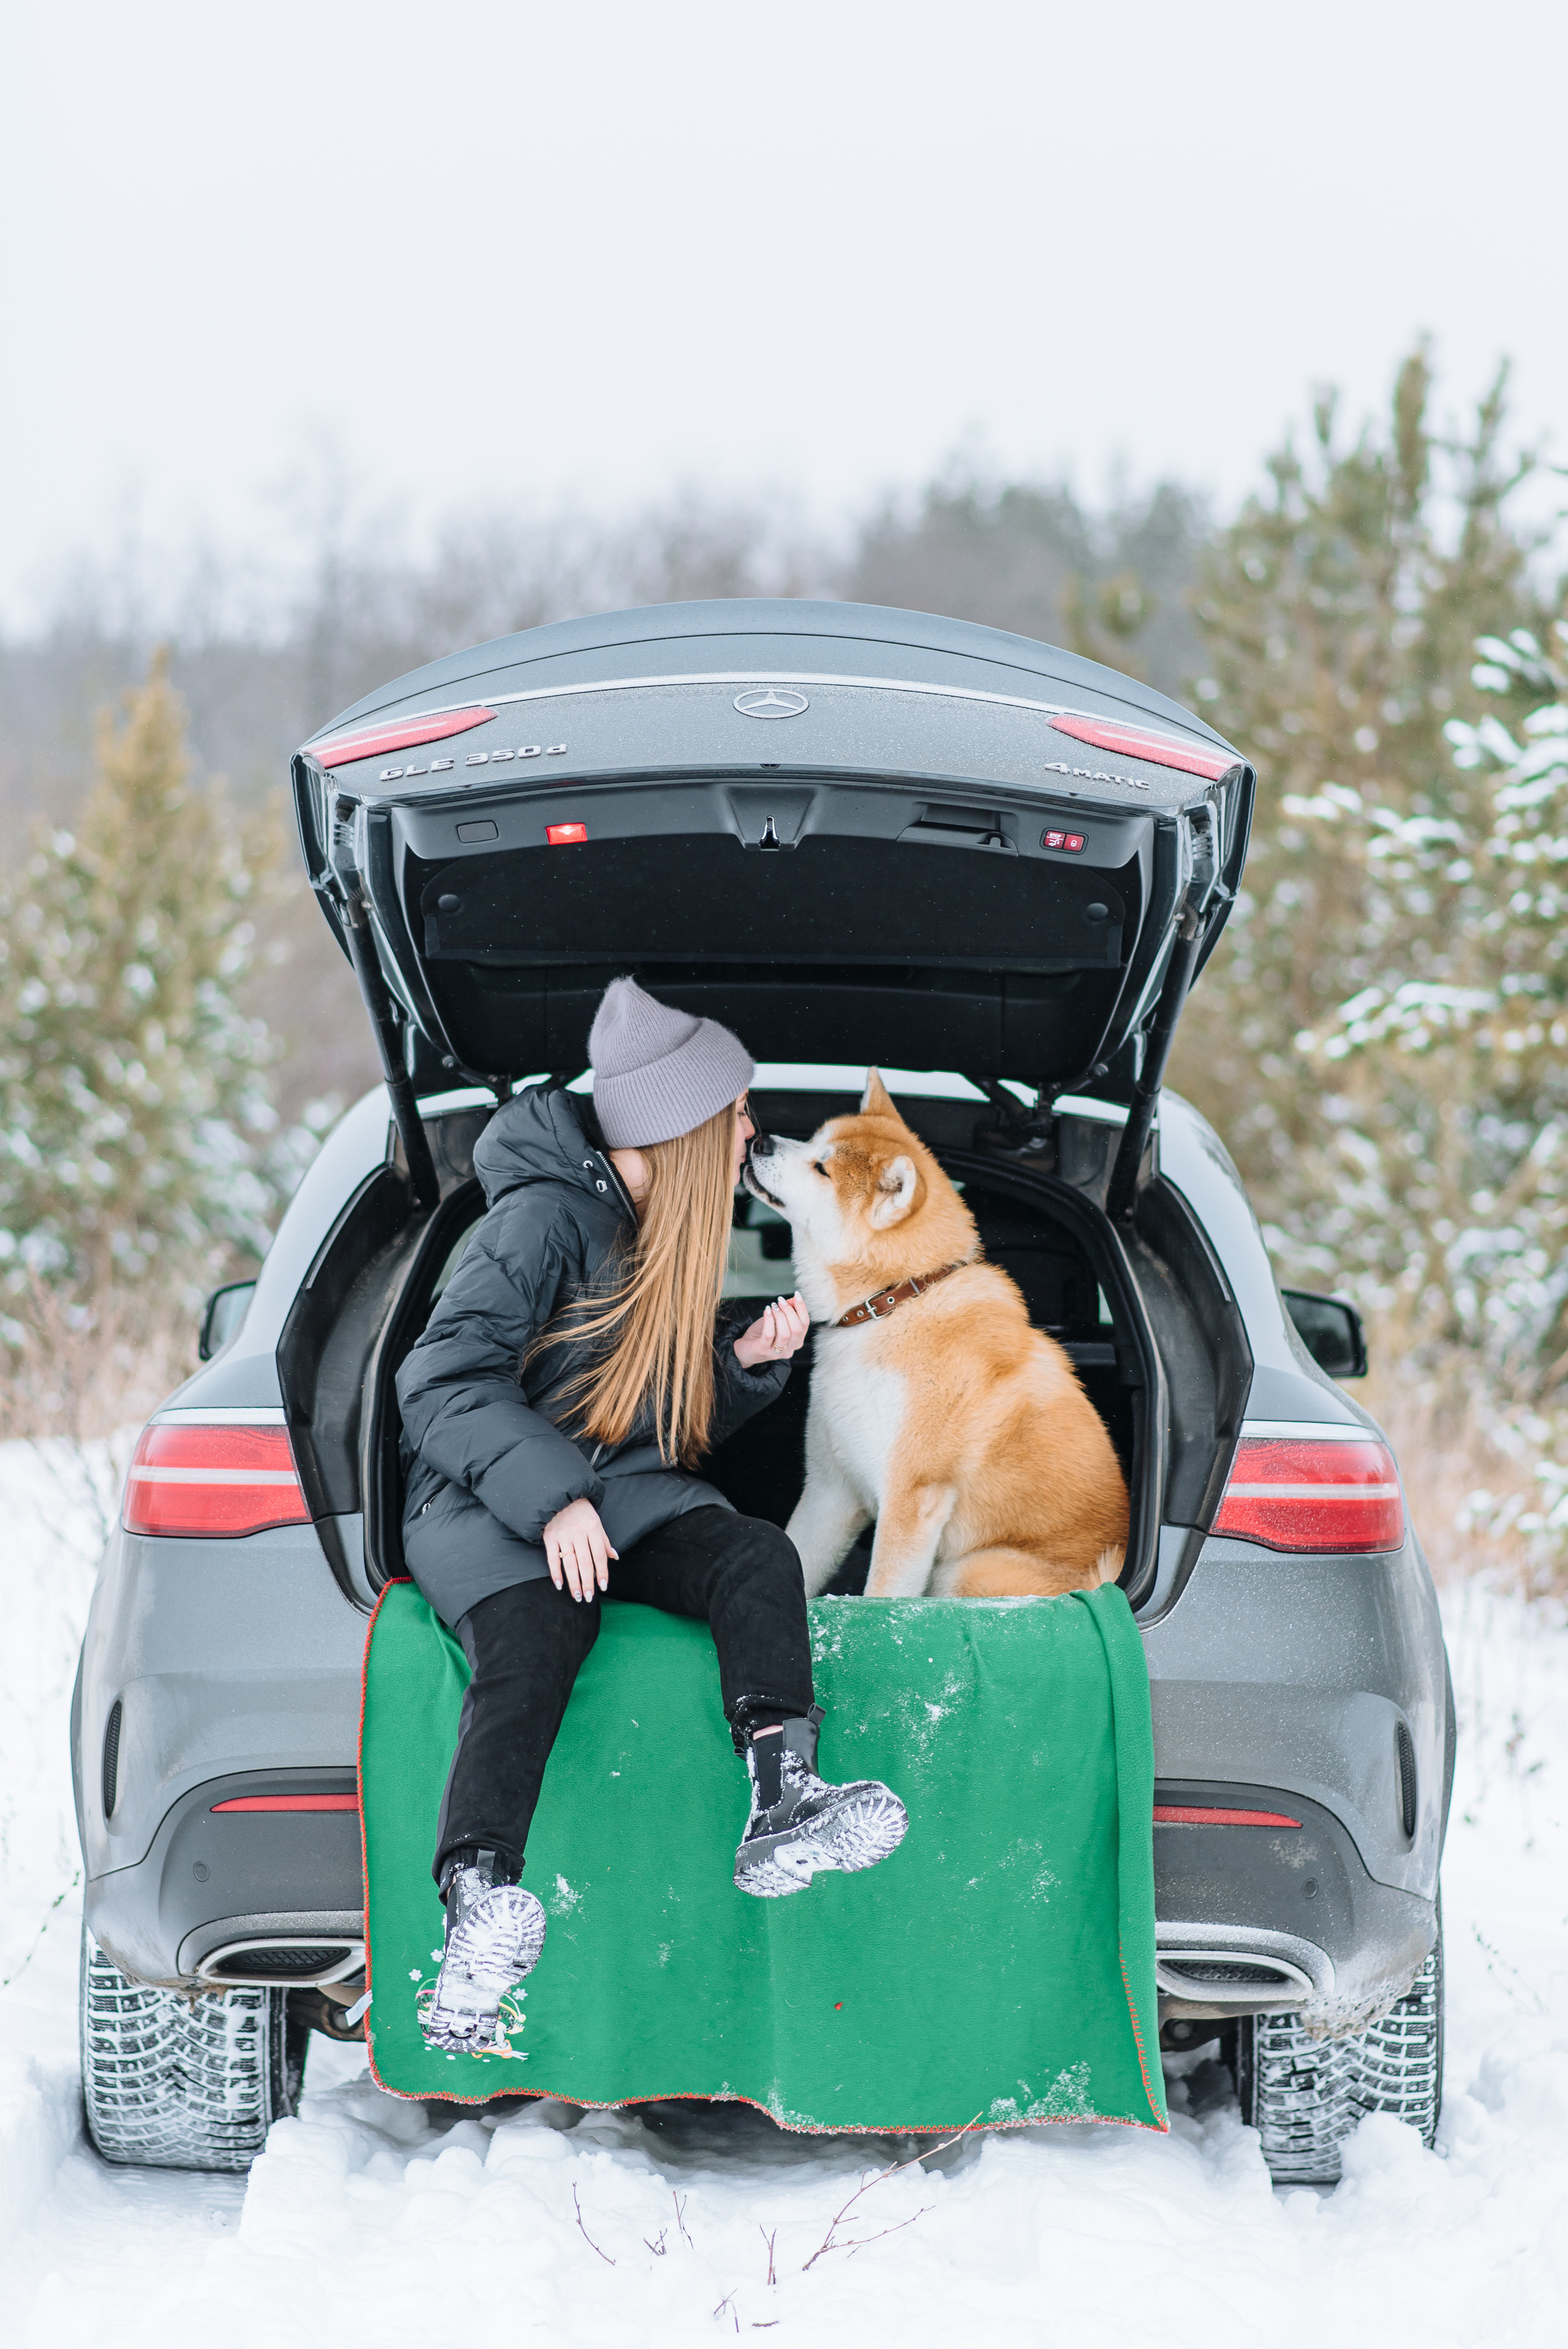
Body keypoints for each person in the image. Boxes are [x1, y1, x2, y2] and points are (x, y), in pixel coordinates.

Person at [395, 978, 907, 2054]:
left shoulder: (655, 1232)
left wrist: (738, 1366)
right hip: (491, 1498)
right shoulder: (536, 1221)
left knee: (751, 1557)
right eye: (736, 1116)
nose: (751, 1134)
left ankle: (784, 1799)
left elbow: (644, 1411)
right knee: (540, 1636)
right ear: (678, 1128)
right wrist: (553, 1499)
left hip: (612, 1487)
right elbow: (440, 1383)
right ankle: (478, 1905)